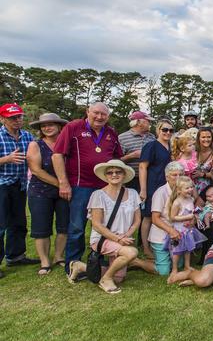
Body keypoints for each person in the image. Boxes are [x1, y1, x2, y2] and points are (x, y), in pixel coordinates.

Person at [52, 102, 123, 278]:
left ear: (108, 116)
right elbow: (57, 154)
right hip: (80, 185)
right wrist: (63, 182)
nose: (99, 117)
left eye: (103, 114)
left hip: (105, 187)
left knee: (105, 225)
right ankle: (72, 263)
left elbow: (116, 158)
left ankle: (100, 260)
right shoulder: (73, 127)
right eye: (96, 113)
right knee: (77, 226)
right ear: (87, 112)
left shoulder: (111, 133)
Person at [82, 160, 156, 293]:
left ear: (124, 175)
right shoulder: (98, 195)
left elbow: (137, 220)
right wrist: (117, 239)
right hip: (102, 239)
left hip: (123, 238)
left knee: (120, 278)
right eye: (110, 172)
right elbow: (97, 225)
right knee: (132, 252)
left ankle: (80, 267)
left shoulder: (133, 193)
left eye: (118, 172)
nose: (114, 174)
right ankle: (106, 279)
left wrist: (126, 235)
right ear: (106, 176)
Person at [26, 113, 69, 275]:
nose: (47, 128)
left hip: (64, 191)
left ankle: (59, 256)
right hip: (40, 191)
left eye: (51, 124)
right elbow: (36, 170)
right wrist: (61, 184)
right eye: (44, 126)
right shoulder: (35, 145)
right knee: (41, 227)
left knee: (64, 225)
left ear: (59, 126)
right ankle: (45, 261)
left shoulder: (66, 143)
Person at [0, 103, 38, 276]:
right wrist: (6, 159)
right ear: (3, 119)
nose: (17, 120)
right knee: (1, 225)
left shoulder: (27, 136)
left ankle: (15, 256)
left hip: (20, 184)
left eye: (19, 117)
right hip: (2, 185)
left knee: (18, 222)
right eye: (12, 118)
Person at [138, 119, 173, 259]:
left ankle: (160, 244)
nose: (168, 132)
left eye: (171, 130)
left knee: (163, 216)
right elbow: (142, 166)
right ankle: (146, 248)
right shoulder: (151, 145)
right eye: (165, 129)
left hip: (167, 187)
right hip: (153, 185)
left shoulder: (171, 147)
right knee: (148, 216)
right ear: (158, 130)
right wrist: (143, 189)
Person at [147, 161, 187, 277]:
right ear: (167, 177)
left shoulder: (185, 192)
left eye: (181, 175)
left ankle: (161, 259)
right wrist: (171, 231)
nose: (178, 178)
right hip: (161, 235)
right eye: (174, 175)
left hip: (178, 235)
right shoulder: (161, 193)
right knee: (163, 271)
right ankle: (137, 262)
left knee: (179, 266)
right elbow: (155, 219)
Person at [166, 175, 207, 283]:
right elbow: (173, 217)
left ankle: (187, 266)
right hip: (179, 231)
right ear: (179, 190)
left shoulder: (191, 199)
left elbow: (192, 213)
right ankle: (174, 269)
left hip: (188, 229)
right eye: (187, 188)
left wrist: (194, 219)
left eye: (191, 187)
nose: (190, 190)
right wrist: (187, 217)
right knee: (177, 250)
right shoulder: (177, 202)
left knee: (189, 248)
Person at [118, 111, 155, 192]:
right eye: (148, 121)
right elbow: (116, 161)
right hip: (130, 180)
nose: (150, 124)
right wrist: (132, 156)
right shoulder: (122, 138)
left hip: (149, 178)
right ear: (138, 122)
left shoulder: (152, 137)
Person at [192, 127, 213, 195]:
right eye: (203, 137)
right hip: (190, 185)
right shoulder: (193, 151)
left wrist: (202, 174)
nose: (206, 139)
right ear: (198, 138)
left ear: (212, 138)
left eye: (209, 137)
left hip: (205, 187)